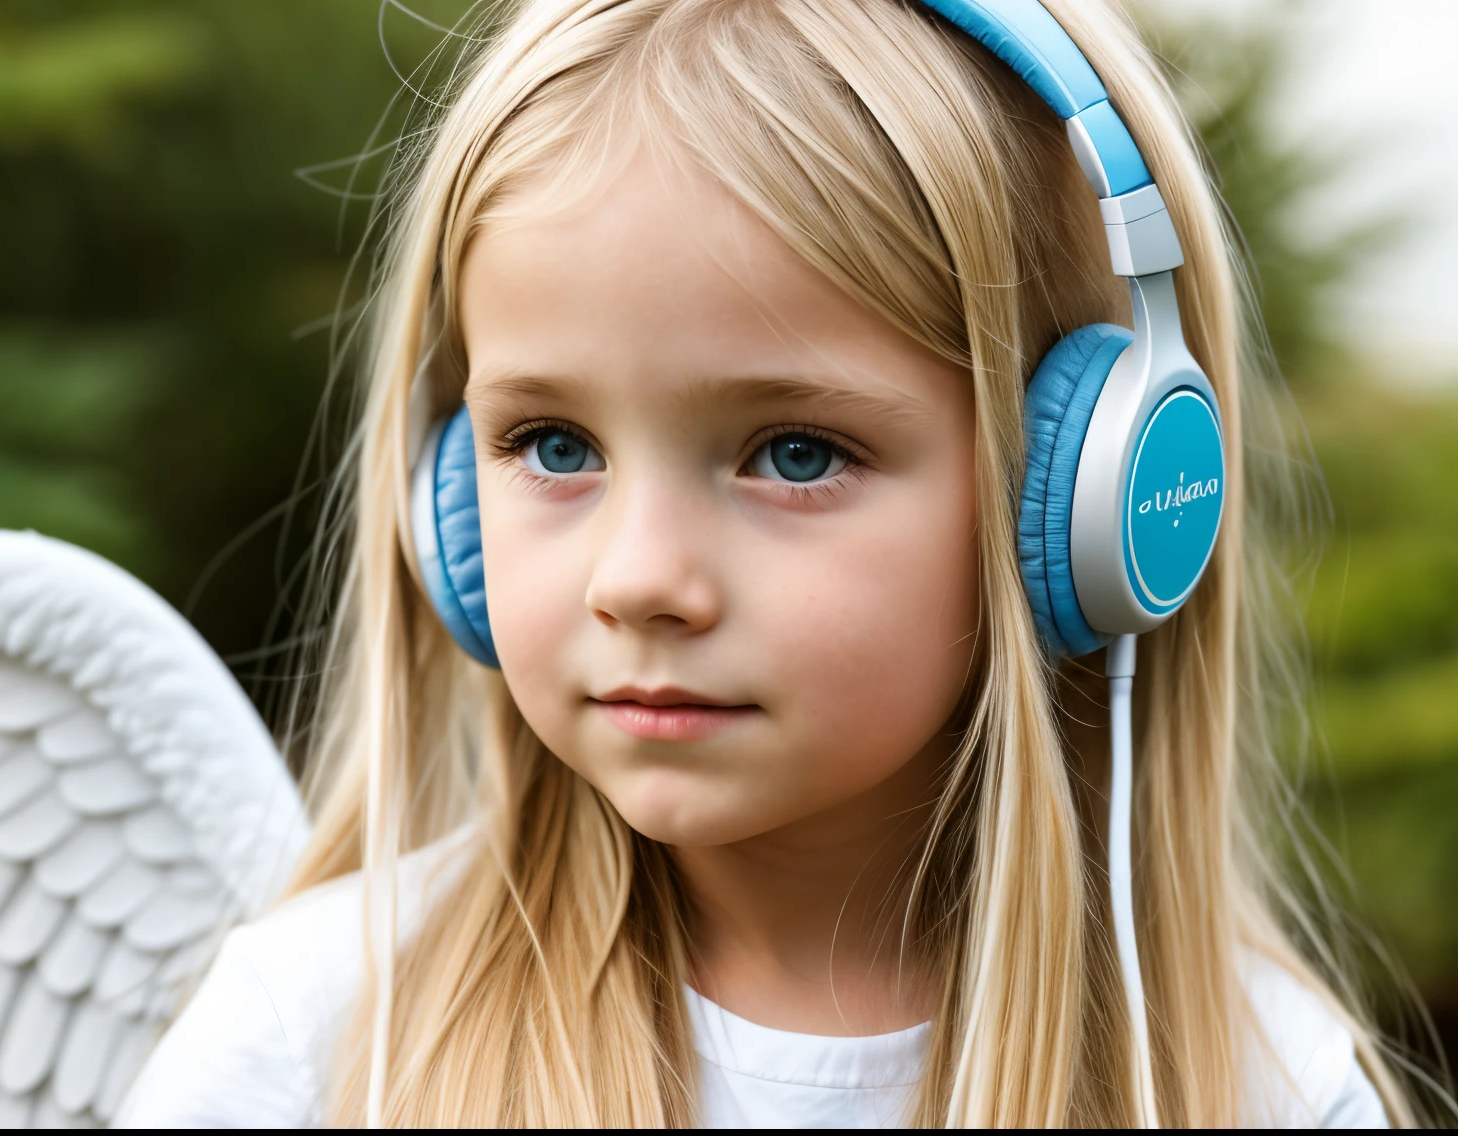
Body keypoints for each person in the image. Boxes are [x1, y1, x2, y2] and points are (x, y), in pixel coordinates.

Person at [119, 0, 1421, 1125]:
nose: (638, 580)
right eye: (554, 443)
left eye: (794, 455)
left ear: (1086, 506)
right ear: (442, 491)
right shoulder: (320, 1045)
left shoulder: (1254, 1091)